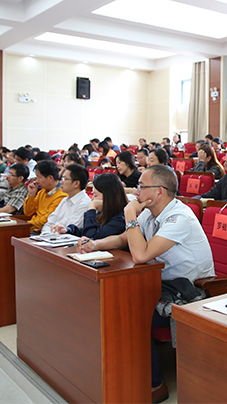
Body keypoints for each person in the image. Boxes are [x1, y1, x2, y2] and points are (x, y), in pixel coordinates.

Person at [78, 165, 215, 403]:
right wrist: (95, 245)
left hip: (188, 293)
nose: (136, 192)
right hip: (158, 285)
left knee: (130, 314)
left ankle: (154, 383)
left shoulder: (179, 217)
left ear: (159, 191)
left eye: (142, 187)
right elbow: (125, 238)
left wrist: (129, 213)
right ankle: (120, 371)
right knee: (109, 300)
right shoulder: (150, 213)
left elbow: (140, 255)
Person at [53, 173, 127, 240]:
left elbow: (91, 236)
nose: (92, 199)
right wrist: (68, 230)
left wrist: (92, 207)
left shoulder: (120, 219)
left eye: (95, 195)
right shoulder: (103, 213)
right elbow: (85, 231)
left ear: (109, 197)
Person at [41, 164, 90, 234]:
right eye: (61, 179)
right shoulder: (65, 200)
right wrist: (46, 234)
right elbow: (50, 223)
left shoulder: (84, 204)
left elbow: (70, 231)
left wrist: (50, 236)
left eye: (64, 179)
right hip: (51, 237)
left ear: (76, 183)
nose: (61, 182)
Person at [23, 160, 67, 232]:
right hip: (31, 228)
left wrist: (25, 225)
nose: (36, 181)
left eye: (39, 177)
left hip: (42, 231)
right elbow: (28, 213)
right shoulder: (42, 192)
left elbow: (46, 221)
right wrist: (31, 195)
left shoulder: (61, 195)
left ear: (50, 178)